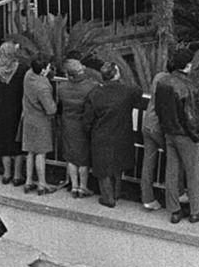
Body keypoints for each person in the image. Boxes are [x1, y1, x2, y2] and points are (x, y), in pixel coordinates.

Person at [147, 49, 199, 223]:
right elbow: (190, 116)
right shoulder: (189, 87)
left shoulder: (163, 82)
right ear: (187, 65)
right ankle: (195, 210)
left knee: (172, 171)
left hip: (169, 133)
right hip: (185, 135)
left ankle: (174, 210)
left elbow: (159, 107)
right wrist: (195, 136)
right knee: (193, 173)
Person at [81, 61, 139, 207]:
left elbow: (87, 119)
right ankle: (116, 193)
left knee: (103, 169)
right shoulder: (128, 91)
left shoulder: (95, 93)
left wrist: (89, 131)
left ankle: (107, 197)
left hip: (101, 135)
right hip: (122, 134)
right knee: (117, 166)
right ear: (117, 74)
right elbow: (137, 92)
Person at [54, 58, 100, 197]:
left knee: (71, 157)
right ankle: (83, 187)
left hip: (68, 124)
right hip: (83, 126)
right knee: (83, 159)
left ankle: (74, 186)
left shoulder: (62, 88)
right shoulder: (92, 86)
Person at [0, 39, 27, 187]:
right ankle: (17, 175)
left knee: (3, 143)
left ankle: (6, 174)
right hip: (17, 111)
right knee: (17, 144)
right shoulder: (22, 70)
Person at [20, 54, 57, 193]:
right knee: (41, 153)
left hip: (28, 117)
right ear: (42, 70)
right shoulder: (42, 87)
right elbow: (50, 108)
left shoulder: (28, 75)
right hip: (40, 121)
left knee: (30, 151)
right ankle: (42, 184)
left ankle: (29, 181)